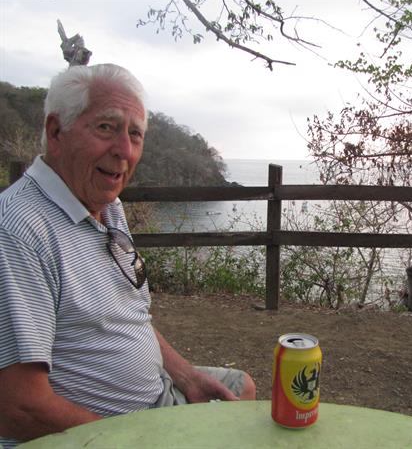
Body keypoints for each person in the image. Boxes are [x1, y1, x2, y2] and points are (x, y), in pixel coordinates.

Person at [0, 64, 256, 448]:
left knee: (240, 388)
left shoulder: (106, 206)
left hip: (152, 402)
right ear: (56, 133)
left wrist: (186, 377)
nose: (124, 151)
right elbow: (18, 407)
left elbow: (125, 314)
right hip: (98, 434)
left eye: (135, 134)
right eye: (106, 127)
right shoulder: (18, 230)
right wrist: (133, 440)